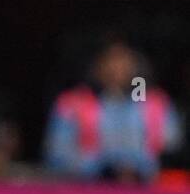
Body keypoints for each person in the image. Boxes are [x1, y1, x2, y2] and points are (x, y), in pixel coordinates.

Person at [45, 39, 182, 183]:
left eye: (123, 60)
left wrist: (138, 166)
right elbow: (57, 153)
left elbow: (171, 152)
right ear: (96, 65)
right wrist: (102, 166)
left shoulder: (155, 103)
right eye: (110, 60)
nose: (116, 67)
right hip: (88, 189)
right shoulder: (72, 103)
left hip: (146, 190)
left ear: (137, 64)